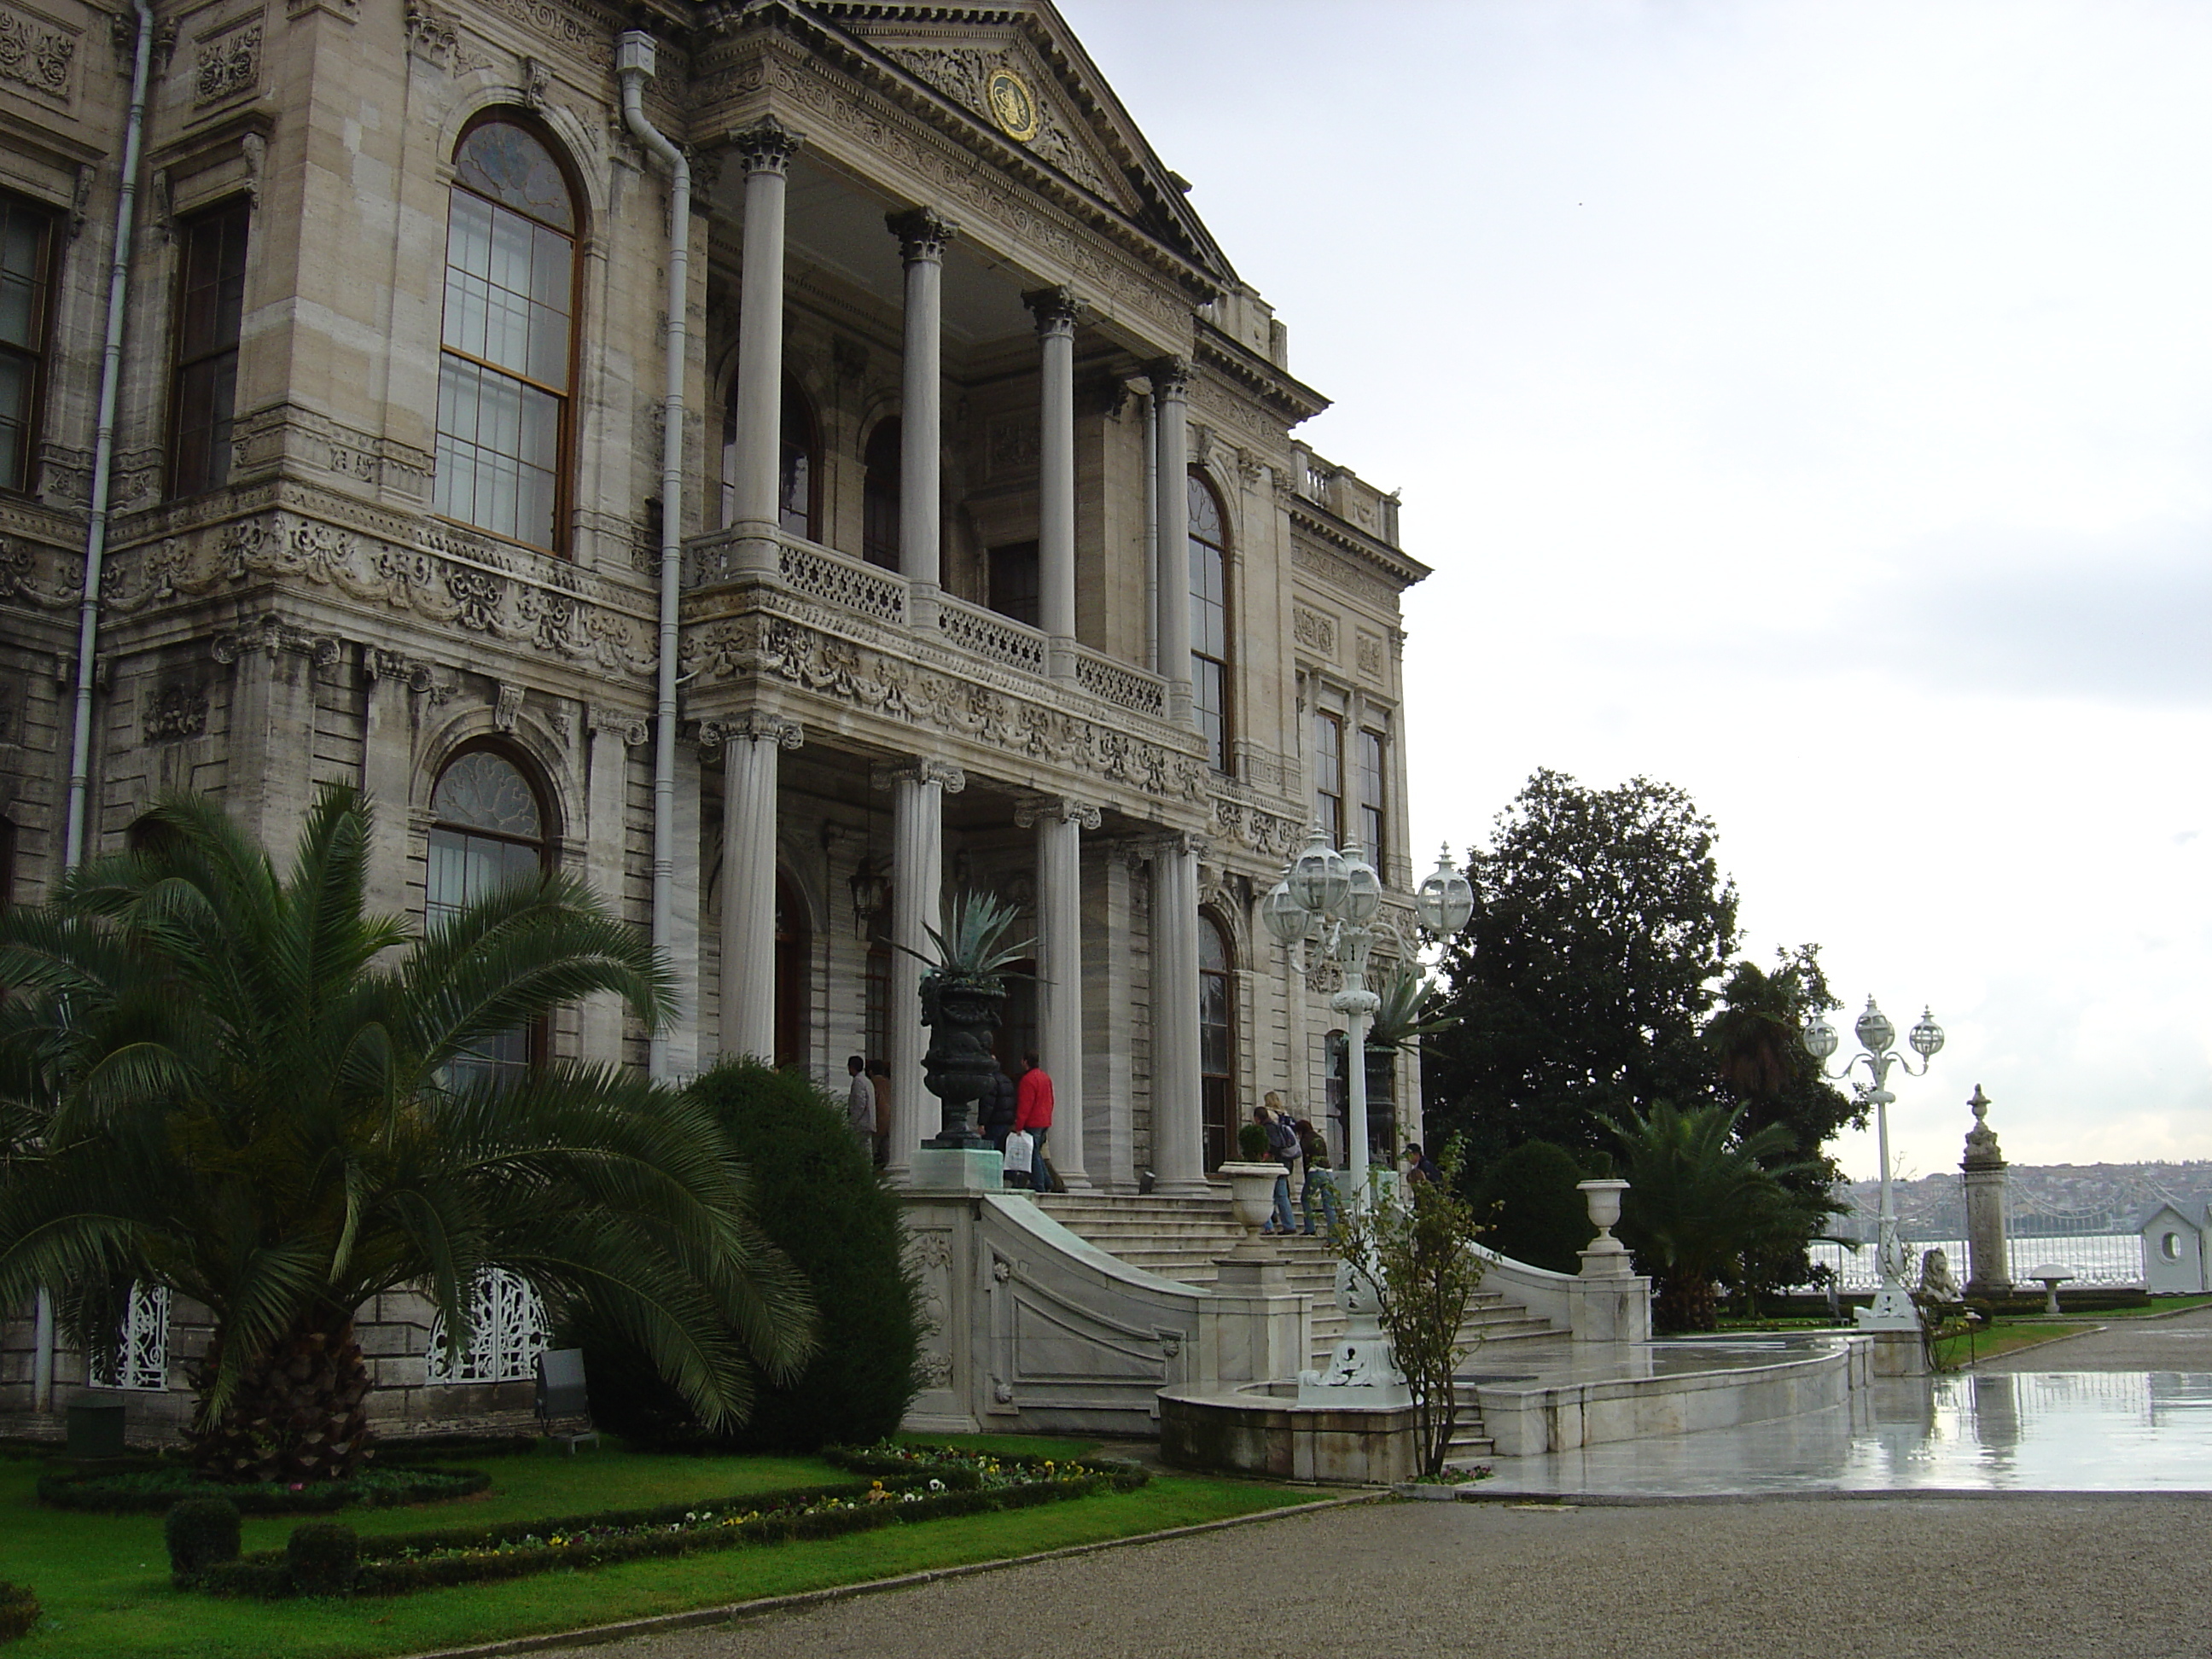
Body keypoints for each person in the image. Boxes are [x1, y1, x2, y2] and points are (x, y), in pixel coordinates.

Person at [1257, 1101, 1299, 1234]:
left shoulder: (1268, 1128)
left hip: (1274, 1166)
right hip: (1283, 1166)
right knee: (1281, 1196)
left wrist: (1266, 1154)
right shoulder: (1276, 1127)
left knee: (1267, 1196)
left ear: (1257, 1118)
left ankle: (1269, 1226)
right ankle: (1289, 1225)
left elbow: (1274, 1145)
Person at [1015, 1051, 1053, 1191]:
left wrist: (1019, 1125)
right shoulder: (1045, 1078)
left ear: (1025, 1062)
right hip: (1044, 1121)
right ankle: (1047, 1181)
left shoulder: (1028, 1080)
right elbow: (1050, 1100)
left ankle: (1039, 1184)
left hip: (1033, 1121)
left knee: (1032, 1153)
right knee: (1036, 1152)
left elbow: (1025, 1105)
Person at [1295, 1116, 1339, 1237]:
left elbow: (1306, 1160)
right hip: (1328, 1170)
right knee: (1329, 1204)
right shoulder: (1319, 1138)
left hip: (1315, 1171)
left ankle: (1310, 1228)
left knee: (1305, 1199)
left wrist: (1307, 1175)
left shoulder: (1305, 1140)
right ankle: (1334, 1237)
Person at [980, 1063, 1017, 1156]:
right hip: (1006, 1122)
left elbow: (988, 1104)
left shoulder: (990, 1082)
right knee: (1002, 1151)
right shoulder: (1007, 1080)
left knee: (990, 1152)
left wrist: (982, 1123)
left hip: (994, 1122)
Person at [867, 1058, 893, 1167]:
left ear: (870, 1071)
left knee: (870, 1150)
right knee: (887, 1151)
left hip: (878, 1120)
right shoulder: (889, 1083)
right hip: (890, 1120)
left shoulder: (872, 1083)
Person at [845, 1054, 875, 1143]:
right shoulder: (867, 1081)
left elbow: (860, 1103)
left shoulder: (858, 1081)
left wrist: (853, 1120)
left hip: (861, 1124)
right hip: (868, 1123)